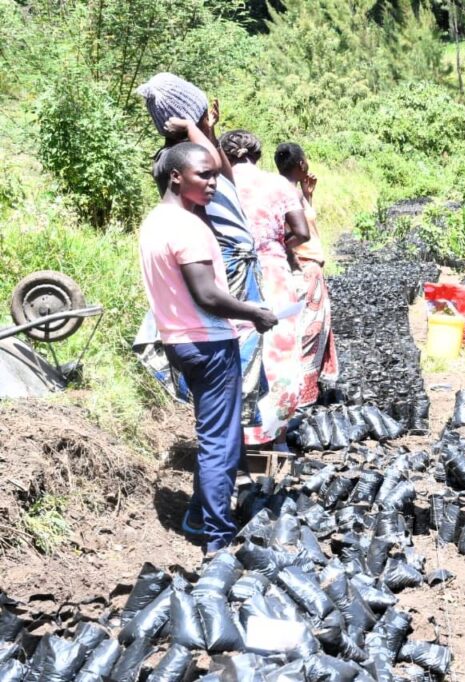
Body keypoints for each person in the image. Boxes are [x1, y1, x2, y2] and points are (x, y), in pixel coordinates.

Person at [133, 73, 269, 537]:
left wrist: (197, 130)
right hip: (208, 341)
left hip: (181, 339)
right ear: (178, 176)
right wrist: (254, 312)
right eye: (204, 175)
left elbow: (217, 171)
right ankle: (215, 533)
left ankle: (200, 514)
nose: (214, 180)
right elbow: (207, 294)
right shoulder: (190, 228)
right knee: (220, 442)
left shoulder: (158, 220)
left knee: (216, 435)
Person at [220, 130, 310, 447]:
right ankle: (275, 432)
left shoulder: (218, 183)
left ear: (226, 155)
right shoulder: (279, 185)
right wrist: (276, 246)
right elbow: (301, 232)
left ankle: (237, 432)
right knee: (279, 352)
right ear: (256, 155)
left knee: (238, 347)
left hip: (231, 275)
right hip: (273, 275)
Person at [274, 142, 339, 407]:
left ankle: (302, 395)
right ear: (301, 164)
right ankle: (298, 398)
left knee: (309, 330)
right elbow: (291, 232)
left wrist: (308, 196)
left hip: (309, 268)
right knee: (306, 334)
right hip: (302, 270)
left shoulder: (293, 193)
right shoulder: (285, 195)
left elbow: (304, 225)